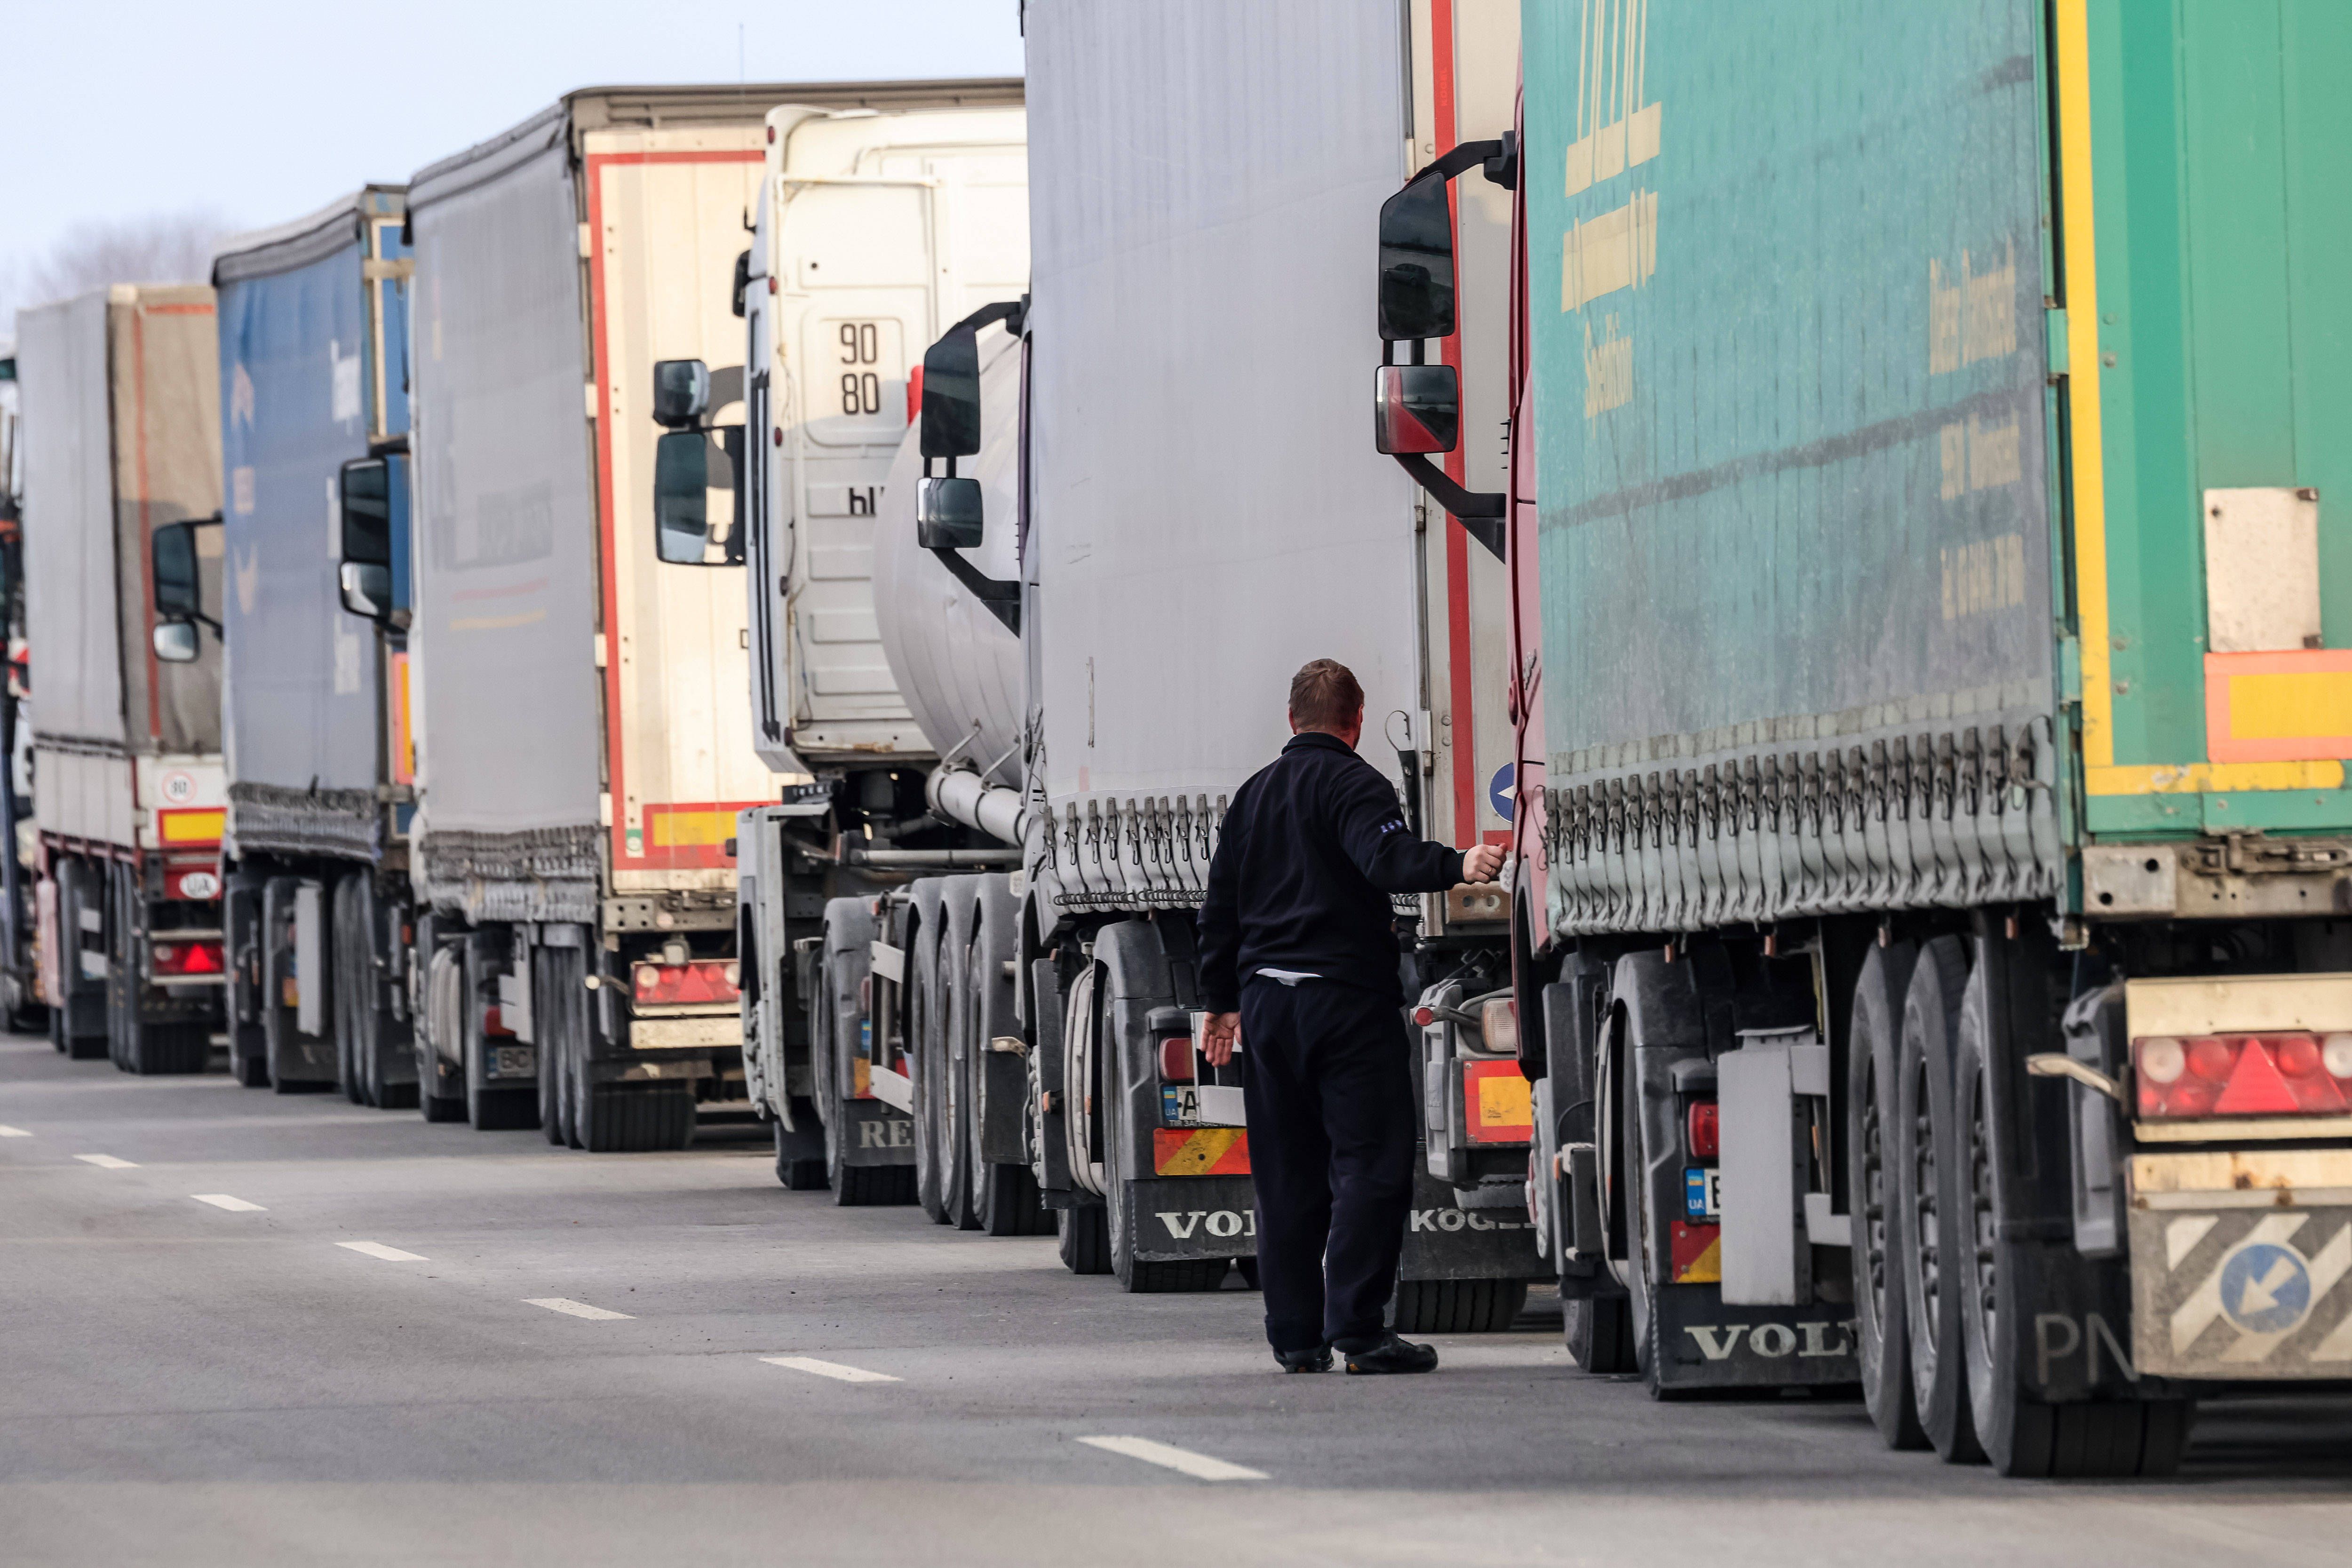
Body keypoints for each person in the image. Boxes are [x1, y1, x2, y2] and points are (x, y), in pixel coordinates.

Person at [1197, 658, 1505, 1374]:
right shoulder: (1356, 784)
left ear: (1291, 717)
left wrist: (1219, 1003)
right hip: (1344, 1007)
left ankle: (1295, 1338)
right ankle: (1359, 1333)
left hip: (1268, 1007)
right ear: (1357, 719)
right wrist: (1458, 863)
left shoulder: (1252, 796)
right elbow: (1385, 859)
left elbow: (1219, 909)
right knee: (1370, 1164)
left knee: (1285, 1175)